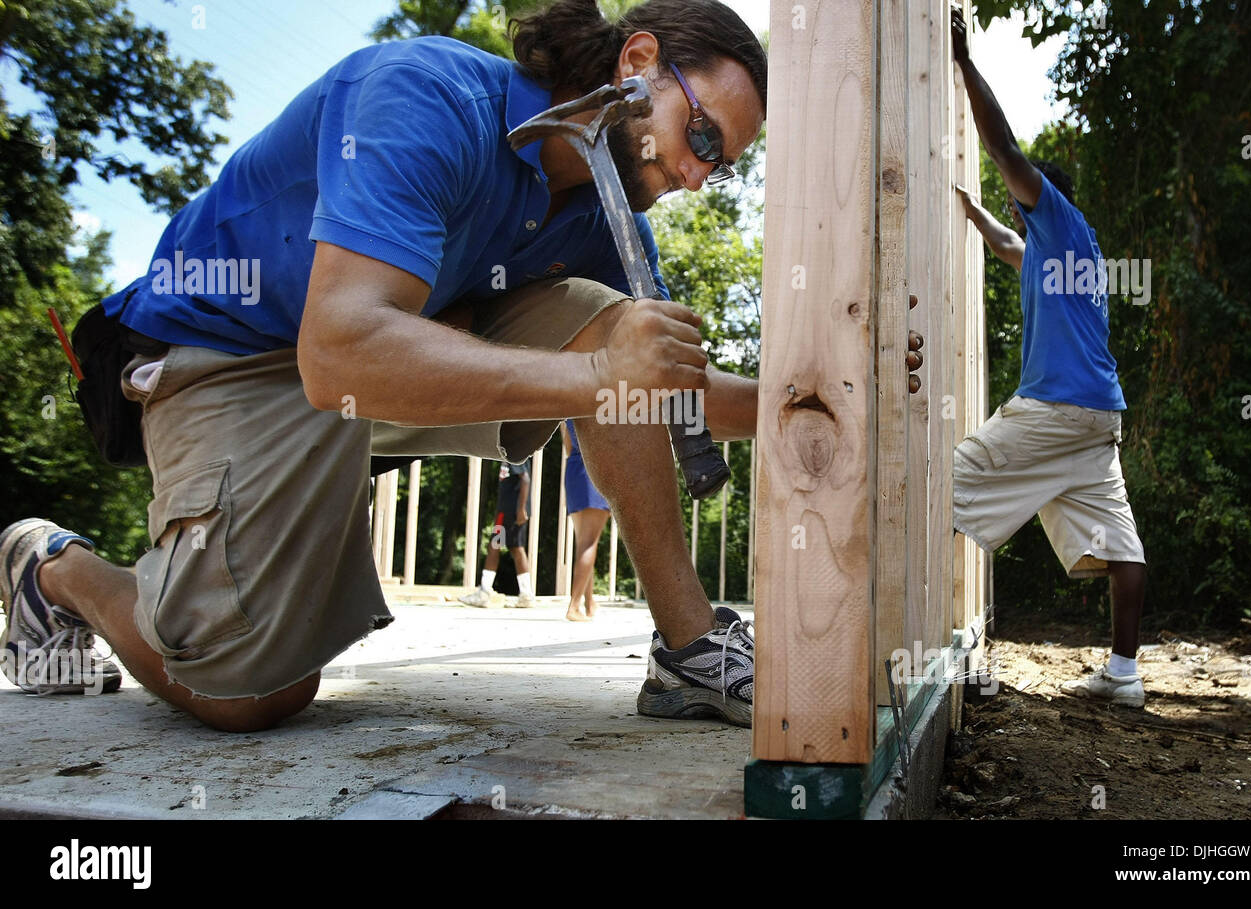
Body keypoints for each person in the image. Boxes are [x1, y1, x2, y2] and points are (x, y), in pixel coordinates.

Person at [0, 0, 774, 731]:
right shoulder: (425, 98)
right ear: (638, 61)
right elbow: (339, 350)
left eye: (725, 165)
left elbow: (671, 388)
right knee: (246, 690)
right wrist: (604, 377)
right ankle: (54, 568)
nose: (699, 175)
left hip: (375, 361)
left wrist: (809, 400)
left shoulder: (605, 217)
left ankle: (689, 649)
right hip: (226, 351)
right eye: (702, 138)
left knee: (631, 330)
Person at [950, 11, 1147, 708]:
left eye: (1021, 197)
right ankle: (1124, 674)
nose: (1016, 202)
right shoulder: (1064, 253)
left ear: (1046, 196)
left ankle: (907, 634)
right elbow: (1010, 246)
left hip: (1059, 408)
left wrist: (966, 66)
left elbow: (1003, 146)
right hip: (1099, 419)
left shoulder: (1060, 218)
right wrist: (974, 213)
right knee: (1123, 548)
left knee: (950, 481)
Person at [459, 461, 535, 608]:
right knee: (510, 547)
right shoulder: (511, 453)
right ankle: (525, 594)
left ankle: (485, 592)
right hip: (508, 511)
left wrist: (521, 509)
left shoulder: (514, 452)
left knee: (498, 546)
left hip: (510, 512)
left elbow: (525, 479)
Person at [560, 419, 611, 622]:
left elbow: (568, 445)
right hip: (594, 473)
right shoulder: (609, 408)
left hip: (573, 471)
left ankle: (589, 603)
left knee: (582, 541)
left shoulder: (572, 408)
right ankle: (573, 606)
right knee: (589, 543)